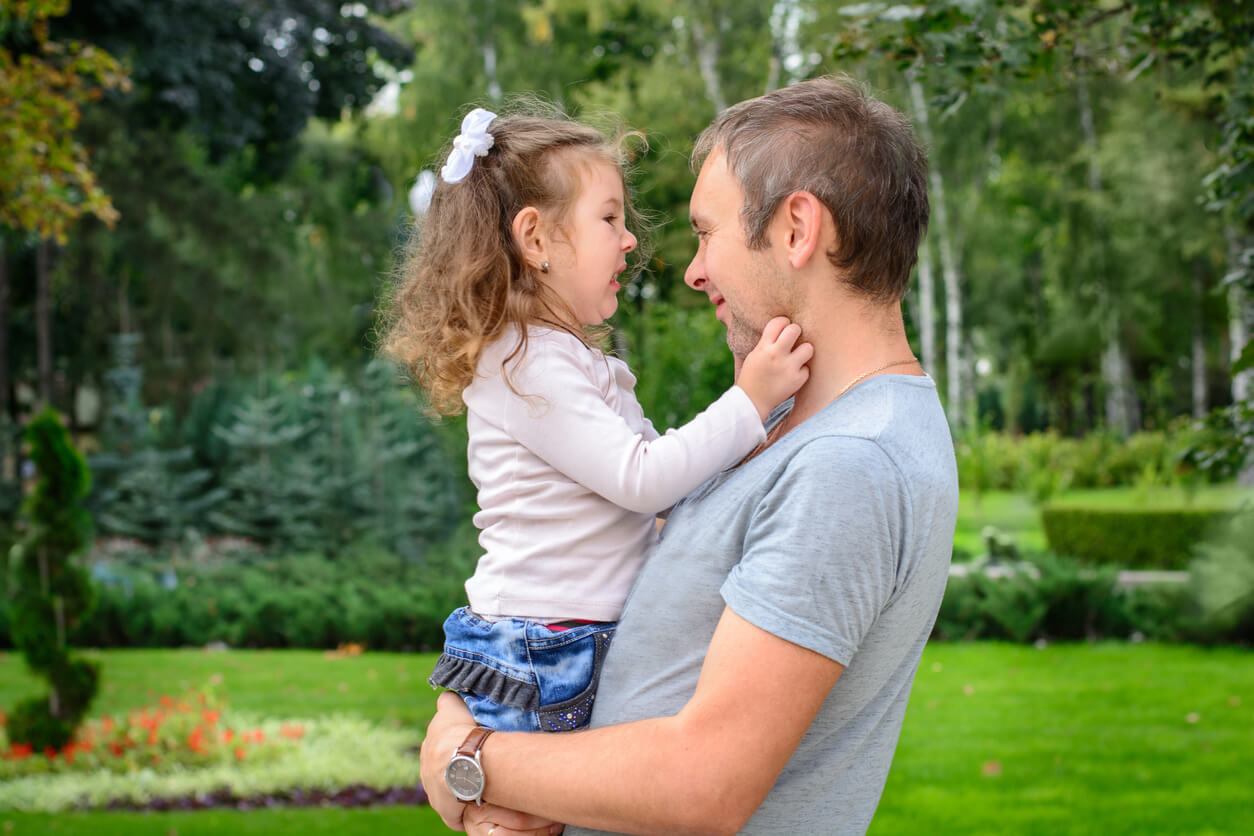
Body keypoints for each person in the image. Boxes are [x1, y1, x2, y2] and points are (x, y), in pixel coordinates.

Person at [418, 75, 960, 836]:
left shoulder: (851, 464)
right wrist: (471, 711)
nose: (692, 269)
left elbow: (701, 784)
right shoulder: (804, 435)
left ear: (798, 229)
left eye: (708, 233)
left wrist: (464, 757)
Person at [381, 104, 813, 736]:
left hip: (563, 641)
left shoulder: (561, 359)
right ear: (535, 241)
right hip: (543, 649)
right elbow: (643, 479)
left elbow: (658, 473)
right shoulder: (525, 363)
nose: (630, 238)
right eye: (609, 218)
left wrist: (753, 438)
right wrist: (747, 401)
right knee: (535, 815)